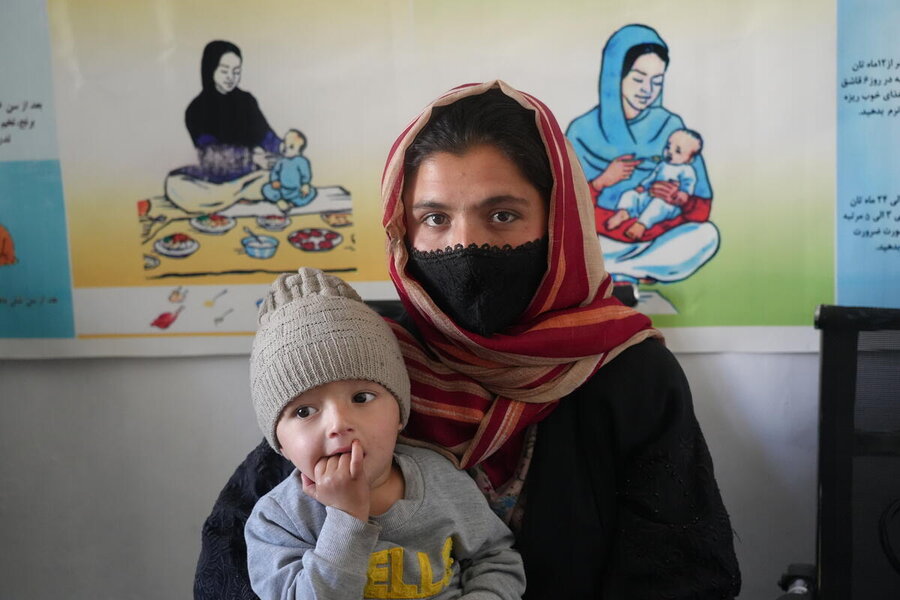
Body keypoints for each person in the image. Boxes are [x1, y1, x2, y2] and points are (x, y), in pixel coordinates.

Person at [195, 81, 741, 599]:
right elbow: (234, 556)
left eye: (502, 215)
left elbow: (681, 573)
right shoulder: (364, 361)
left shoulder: (628, 374)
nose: (466, 245)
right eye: (433, 218)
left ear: (560, 224)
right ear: (402, 231)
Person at [244, 267, 524, 598]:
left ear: (400, 414)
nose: (338, 424)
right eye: (304, 411)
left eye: (362, 398)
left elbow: (494, 559)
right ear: (280, 445)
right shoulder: (279, 519)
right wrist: (346, 519)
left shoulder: (442, 480)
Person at [566, 24, 719, 284]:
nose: (647, 89)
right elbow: (565, 210)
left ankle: (618, 271)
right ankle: (623, 268)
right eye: (638, 78)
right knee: (571, 245)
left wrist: (679, 198)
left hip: (656, 236)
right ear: (616, 75)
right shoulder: (582, 130)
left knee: (706, 236)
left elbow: (701, 207)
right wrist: (604, 180)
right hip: (602, 238)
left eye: (656, 81)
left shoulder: (671, 128)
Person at [606, 128, 703, 241]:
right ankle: (623, 213)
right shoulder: (662, 165)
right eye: (668, 147)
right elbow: (652, 178)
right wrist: (643, 186)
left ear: (690, 159)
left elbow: (688, 185)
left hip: (667, 205)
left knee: (657, 205)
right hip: (649, 197)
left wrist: (682, 194)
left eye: (677, 151)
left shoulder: (686, 170)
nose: (669, 152)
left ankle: (641, 225)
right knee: (630, 194)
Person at [261, 129, 317, 211]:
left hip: (296, 190)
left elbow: (306, 176)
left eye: (291, 146)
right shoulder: (281, 161)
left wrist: (305, 185)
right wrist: (274, 180)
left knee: (312, 192)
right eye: (284, 142)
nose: (285, 148)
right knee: (266, 188)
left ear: (299, 151)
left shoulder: (302, 161)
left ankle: (293, 203)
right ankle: (279, 201)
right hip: (281, 189)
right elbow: (275, 172)